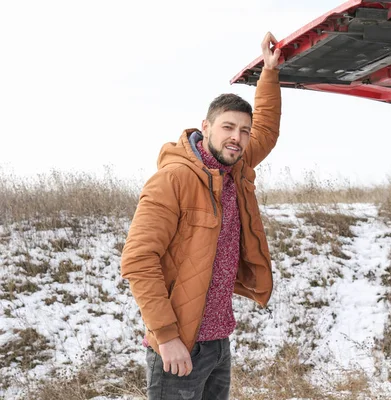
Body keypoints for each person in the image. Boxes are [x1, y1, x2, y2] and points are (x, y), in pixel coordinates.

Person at [120, 32, 282, 400]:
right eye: (228, 127)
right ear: (206, 127)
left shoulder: (235, 167)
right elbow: (138, 260)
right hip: (180, 347)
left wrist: (269, 74)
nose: (237, 138)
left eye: (243, 131)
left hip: (217, 342)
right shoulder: (173, 179)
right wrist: (166, 336)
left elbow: (267, 131)